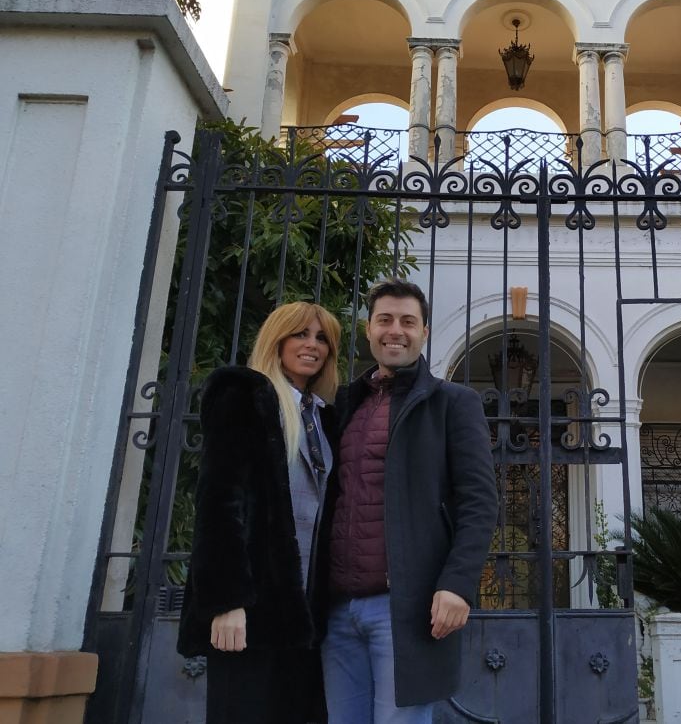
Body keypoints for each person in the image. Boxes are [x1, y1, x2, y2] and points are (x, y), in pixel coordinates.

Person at [316, 280, 498, 724]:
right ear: (368, 329)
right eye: (385, 320)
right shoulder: (343, 404)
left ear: (424, 332)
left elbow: (479, 501)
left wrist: (458, 583)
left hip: (405, 610)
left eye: (407, 321)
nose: (395, 330)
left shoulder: (453, 403)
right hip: (337, 610)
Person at [177, 301, 342, 724]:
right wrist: (228, 602)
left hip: (304, 613)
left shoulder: (324, 418)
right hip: (249, 608)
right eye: (300, 334)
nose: (312, 345)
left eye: (322, 338)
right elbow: (220, 502)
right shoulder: (244, 394)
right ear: (277, 339)